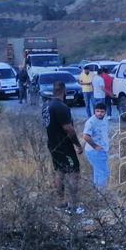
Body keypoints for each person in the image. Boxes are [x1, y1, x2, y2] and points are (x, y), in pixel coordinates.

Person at [42, 80, 84, 213]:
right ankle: (73, 205)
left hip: (52, 144)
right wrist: (77, 144)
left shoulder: (46, 106)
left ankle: (60, 202)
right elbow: (69, 129)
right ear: (64, 91)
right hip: (64, 145)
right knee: (74, 172)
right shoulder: (61, 107)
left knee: (59, 171)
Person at [82, 102, 110, 189]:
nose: (99, 113)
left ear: (105, 112)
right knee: (103, 173)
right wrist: (95, 146)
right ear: (94, 111)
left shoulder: (105, 119)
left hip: (102, 150)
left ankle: (97, 193)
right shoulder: (91, 122)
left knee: (98, 172)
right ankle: (102, 195)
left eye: (102, 111)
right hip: (94, 151)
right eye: (97, 111)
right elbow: (85, 136)